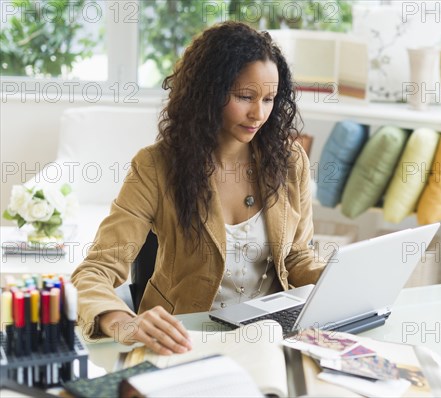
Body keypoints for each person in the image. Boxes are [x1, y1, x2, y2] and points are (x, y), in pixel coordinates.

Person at [71, 21, 324, 355]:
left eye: (269, 99)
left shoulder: (290, 162)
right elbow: (95, 270)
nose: (258, 113)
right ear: (209, 92)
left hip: (270, 338)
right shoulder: (155, 166)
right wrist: (123, 322)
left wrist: (336, 280)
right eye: (245, 97)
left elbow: (295, 254)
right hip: (183, 340)